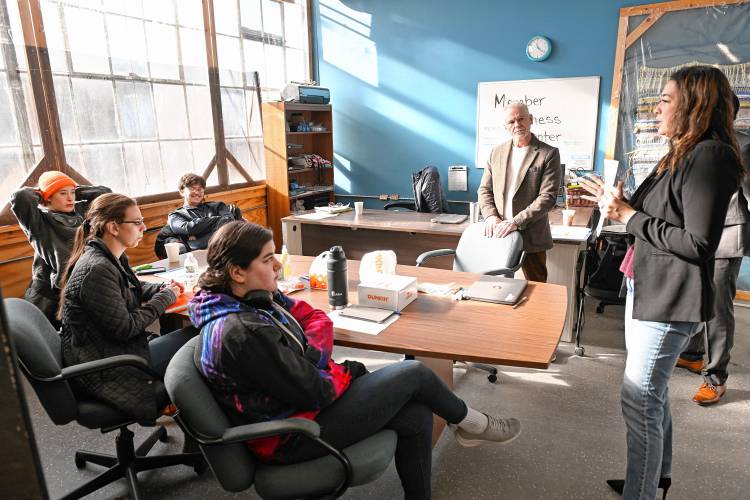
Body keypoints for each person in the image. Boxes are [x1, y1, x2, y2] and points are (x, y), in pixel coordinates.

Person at [189, 221, 522, 499]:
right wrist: (328, 366)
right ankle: (472, 423)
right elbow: (315, 391)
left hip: (300, 404)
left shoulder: (253, 299)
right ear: (237, 272)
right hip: (289, 433)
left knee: (417, 412)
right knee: (414, 374)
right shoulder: (243, 332)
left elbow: (313, 318)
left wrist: (311, 357)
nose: (278, 265)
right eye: (267, 259)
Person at [579, 66, 743, 500]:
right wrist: (620, 205)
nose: (657, 107)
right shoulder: (681, 151)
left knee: (640, 397)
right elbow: (663, 215)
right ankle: (655, 479)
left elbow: (699, 243)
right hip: (646, 286)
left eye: (666, 99)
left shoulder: (710, 155)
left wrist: (628, 216)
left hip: (671, 298)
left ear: (694, 103)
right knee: (652, 394)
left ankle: (643, 492)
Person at [59, 193, 197, 424]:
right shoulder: (97, 269)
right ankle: (199, 424)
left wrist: (163, 287)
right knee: (201, 340)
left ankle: (188, 411)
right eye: (137, 222)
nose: (144, 227)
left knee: (196, 338)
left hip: (114, 350)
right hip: (110, 366)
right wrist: (166, 297)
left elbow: (130, 286)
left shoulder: (107, 255)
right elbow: (126, 327)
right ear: (113, 227)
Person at [676, 93, 750, 405]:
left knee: (718, 308)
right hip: (693, 233)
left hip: (727, 233)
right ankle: (692, 354)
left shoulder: (743, 144)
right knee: (694, 295)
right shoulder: (690, 143)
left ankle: (716, 376)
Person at [10, 171, 111, 326]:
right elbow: (21, 197)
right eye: (63, 193)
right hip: (49, 296)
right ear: (47, 197)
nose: (70, 198)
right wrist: (44, 192)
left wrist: (75, 189)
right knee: (50, 342)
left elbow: (106, 195)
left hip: (82, 285)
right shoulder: (38, 222)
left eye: (72, 193)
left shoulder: (81, 210)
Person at [477, 102, 562, 282]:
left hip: (531, 235)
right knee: (496, 284)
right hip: (499, 232)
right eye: (511, 121)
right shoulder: (495, 152)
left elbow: (548, 197)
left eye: (521, 119)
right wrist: (491, 216)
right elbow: (484, 190)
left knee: (537, 288)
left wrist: (516, 222)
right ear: (506, 127)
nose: (517, 125)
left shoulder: (548, 153)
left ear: (530, 119)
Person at [158, 173, 242, 257]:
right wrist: (218, 221)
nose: (197, 192)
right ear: (182, 191)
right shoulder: (176, 216)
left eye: (200, 189)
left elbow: (228, 222)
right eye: (192, 188)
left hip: (226, 251)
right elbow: (189, 228)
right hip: (196, 256)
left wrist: (197, 237)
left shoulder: (218, 206)